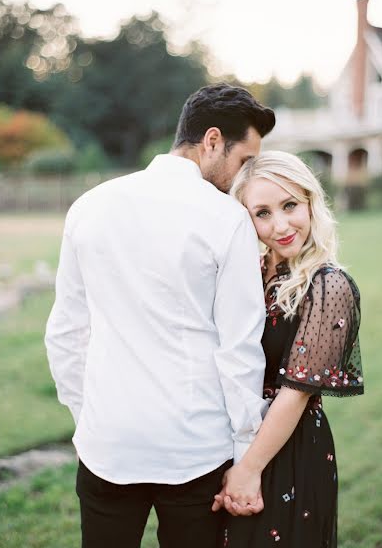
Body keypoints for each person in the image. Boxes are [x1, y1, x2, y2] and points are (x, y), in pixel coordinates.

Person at [45, 83, 275, 548]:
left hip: (108, 444)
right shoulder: (226, 219)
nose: (242, 176)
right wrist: (244, 452)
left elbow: (66, 333)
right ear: (212, 141)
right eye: (243, 161)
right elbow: (239, 350)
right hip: (194, 450)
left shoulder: (89, 207)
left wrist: (88, 417)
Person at [212, 150, 364, 547]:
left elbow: (294, 397)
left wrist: (248, 470)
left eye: (290, 205)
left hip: (286, 449)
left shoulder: (328, 286)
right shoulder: (247, 272)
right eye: (262, 213)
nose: (280, 225)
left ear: (311, 201)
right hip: (227, 440)